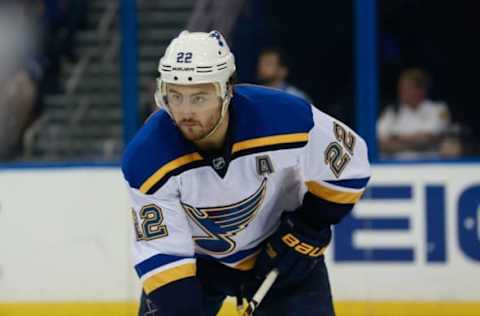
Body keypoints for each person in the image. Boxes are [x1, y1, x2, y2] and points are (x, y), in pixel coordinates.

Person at [122, 30, 370, 316]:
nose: (185, 112)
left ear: (226, 90)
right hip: (198, 264)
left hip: (280, 253)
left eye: (199, 98)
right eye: (175, 97)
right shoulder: (147, 158)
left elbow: (352, 164)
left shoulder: (285, 118)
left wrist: (309, 225)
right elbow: (165, 259)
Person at [377, 68, 458, 159]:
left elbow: (428, 139)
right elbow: (380, 143)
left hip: (430, 166)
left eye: (407, 88)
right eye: (401, 88)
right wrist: (417, 144)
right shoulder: (392, 111)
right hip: (397, 167)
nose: (401, 92)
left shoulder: (438, 109)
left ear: (420, 90)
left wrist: (395, 137)